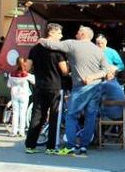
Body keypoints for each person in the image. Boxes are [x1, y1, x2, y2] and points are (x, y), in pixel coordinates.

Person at [39, 26, 111, 156]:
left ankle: (71, 145)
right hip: (96, 87)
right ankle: (84, 147)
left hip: (81, 87)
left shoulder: (72, 44)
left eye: (78, 32)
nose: (76, 33)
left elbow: (51, 45)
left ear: (83, 34)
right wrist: (93, 76)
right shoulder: (99, 51)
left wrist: (41, 40)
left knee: (72, 115)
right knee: (90, 117)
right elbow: (107, 70)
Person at [25, 23, 69, 154]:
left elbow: (27, 67)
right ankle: (51, 147)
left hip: (39, 86)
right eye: (59, 33)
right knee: (55, 116)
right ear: (52, 33)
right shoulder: (58, 50)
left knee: (37, 115)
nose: (61, 36)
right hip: (55, 86)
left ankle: (30, 145)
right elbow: (64, 71)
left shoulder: (35, 48)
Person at [7, 57, 34, 138]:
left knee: (15, 113)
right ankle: (21, 132)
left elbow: (8, 85)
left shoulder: (11, 74)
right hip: (24, 95)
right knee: (23, 113)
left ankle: (13, 132)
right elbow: (34, 81)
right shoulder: (27, 74)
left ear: (16, 63)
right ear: (24, 63)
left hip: (14, 95)